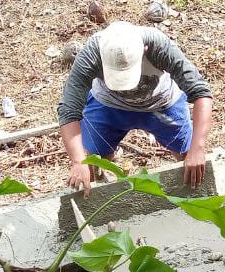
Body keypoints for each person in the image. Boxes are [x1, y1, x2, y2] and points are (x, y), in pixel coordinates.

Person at [57, 21, 214, 195]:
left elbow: (201, 93)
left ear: (144, 50)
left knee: (191, 163)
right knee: (93, 165)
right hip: (108, 105)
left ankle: (192, 195)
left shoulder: (158, 45)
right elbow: (69, 110)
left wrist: (197, 148)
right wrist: (78, 162)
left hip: (160, 103)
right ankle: (97, 196)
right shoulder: (92, 53)